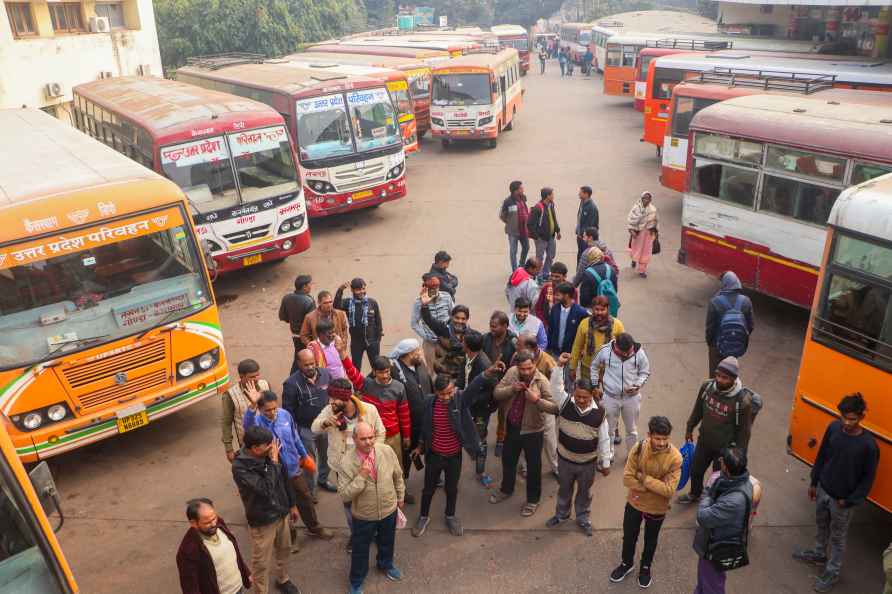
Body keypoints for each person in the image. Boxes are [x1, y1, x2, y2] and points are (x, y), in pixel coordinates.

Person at [793, 393, 879, 593]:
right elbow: (822, 455)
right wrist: (814, 482)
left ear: (861, 418)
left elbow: (868, 479)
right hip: (823, 489)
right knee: (821, 525)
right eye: (845, 417)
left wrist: (849, 501)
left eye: (853, 419)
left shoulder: (868, 446)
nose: (848, 423)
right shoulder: (833, 428)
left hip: (842, 502)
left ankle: (832, 572)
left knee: (838, 539)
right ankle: (818, 553)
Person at [411, 361, 505, 538]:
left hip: (454, 456)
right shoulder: (429, 403)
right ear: (435, 393)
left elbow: (474, 386)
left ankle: (450, 516)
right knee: (428, 489)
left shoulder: (460, 400)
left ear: (453, 389)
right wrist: (420, 446)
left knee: (452, 488)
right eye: (442, 394)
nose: (446, 397)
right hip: (434, 455)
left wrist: (488, 372)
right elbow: (425, 427)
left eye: (449, 392)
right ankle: (423, 516)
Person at [242, 389, 333, 541]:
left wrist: (304, 456)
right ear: (260, 409)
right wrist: (251, 407)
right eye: (267, 411)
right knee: (283, 505)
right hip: (273, 471)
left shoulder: (285, 415)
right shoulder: (256, 421)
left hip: (293, 467)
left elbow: (295, 437)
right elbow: (248, 427)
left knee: (305, 498)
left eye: (274, 408)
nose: (271, 413)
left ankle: (314, 527)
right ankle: (291, 538)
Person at [311, 379, 386, 552]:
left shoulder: (369, 410)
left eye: (334, 399)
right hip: (342, 468)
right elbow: (314, 428)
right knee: (348, 504)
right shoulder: (330, 411)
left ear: (345, 398)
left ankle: (373, 531)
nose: (330, 403)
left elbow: (381, 433)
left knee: (369, 501)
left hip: (367, 465)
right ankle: (356, 534)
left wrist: (373, 454)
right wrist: (325, 423)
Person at [543, 353, 610, 536]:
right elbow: (555, 387)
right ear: (573, 393)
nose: (581, 400)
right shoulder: (565, 403)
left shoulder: (599, 414)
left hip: (587, 464)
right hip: (565, 460)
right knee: (564, 489)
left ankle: (582, 518)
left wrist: (605, 462)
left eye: (585, 397)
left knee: (584, 493)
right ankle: (561, 515)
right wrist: (559, 366)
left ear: (591, 396)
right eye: (578, 396)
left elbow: (604, 440)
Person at [610, 416, 682, 588]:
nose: (662, 443)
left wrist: (643, 478)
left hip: (657, 508)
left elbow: (669, 490)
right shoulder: (638, 448)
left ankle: (645, 567)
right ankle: (627, 564)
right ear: (649, 435)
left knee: (651, 540)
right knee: (629, 536)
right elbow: (627, 479)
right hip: (635, 503)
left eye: (665, 439)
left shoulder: (675, 458)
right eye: (658, 438)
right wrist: (655, 487)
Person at [231, 426, 301, 594]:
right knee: (261, 562)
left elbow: (284, 480)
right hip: (262, 521)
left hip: (281, 512)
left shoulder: (270, 454)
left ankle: (283, 579)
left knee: (284, 550)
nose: (272, 446)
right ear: (255, 448)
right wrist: (274, 463)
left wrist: (292, 505)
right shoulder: (241, 467)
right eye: (267, 444)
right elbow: (265, 489)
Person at [340, 344, 413, 503]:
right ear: (374, 372)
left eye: (387, 371)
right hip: (370, 437)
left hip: (393, 436)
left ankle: (400, 492)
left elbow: (404, 413)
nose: (385, 375)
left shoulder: (399, 388)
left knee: (396, 466)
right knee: (371, 466)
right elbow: (352, 372)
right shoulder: (366, 385)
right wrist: (343, 354)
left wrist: (406, 436)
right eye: (381, 372)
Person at [338, 422, 405, 594]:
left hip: (388, 509)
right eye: (363, 439)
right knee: (360, 550)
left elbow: (398, 474)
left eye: (371, 437)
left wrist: (400, 495)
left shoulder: (386, 451)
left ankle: (385, 564)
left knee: (387, 541)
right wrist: (362, 476)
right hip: (364, 515)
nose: (368, 442)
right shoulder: (346, 462)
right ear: (354, 439)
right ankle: (356, 581)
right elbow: (345, 495)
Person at [678, 357, 756, 505]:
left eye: (725, 378)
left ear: (734, 379)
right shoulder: (707, 387)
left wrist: (736, 455)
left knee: (718, 479)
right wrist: (689, 428)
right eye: (718, 375)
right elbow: (697, 410)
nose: (719, 380)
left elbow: (744, 433)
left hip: (724, 449)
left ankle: (713, 504)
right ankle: (695, 493)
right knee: (695, 470)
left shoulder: (742, 401)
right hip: (704, 441)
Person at [489, 350, 555, 517]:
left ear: (534, 365)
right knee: (508, 460)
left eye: (529, 368)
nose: (525, 372)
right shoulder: (512, 373)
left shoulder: (542, 381)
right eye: (522, 369)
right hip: (512, 427)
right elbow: (496, 393)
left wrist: (537, 401)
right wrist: (512, 388)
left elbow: (556, 407)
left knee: (534, 467)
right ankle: (506, 489)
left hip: (533, 431)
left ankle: (533, 500)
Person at [692, 448, 753, 594]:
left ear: (726, 467)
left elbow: (703, 516)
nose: (719, 462)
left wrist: (707, 493)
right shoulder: (736, 480)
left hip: (717, 548)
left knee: (712, 585)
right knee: (704, 579)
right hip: (711, 545)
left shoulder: (734, 501)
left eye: (722, 461)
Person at [590, 332, 651, 463]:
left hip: (632, 399)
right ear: (615, 345)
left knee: (632, 429)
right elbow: (594, 366)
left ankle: (632, 455)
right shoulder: (605, 351)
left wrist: (637, 385)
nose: (626, 355)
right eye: (623, 352)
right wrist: (595, 385)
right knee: (608, 429)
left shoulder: (639, 352)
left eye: (629, 352)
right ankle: (608, 454)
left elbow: (645, 372)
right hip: (610, 397)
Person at [283, 350, 334, 495]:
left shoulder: (325, 374)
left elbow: (332, 395)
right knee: (309, 462)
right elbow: (288, 412)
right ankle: (310, 491)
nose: (310, 367)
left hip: (325, 426)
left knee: (327, 456)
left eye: (312, 363)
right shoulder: (291, 384)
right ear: (298, 364)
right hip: (305, 430)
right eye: (306, 365)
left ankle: (323, 480)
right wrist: (295, 432)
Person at [176, 498, 252, 594]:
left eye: (214, 518)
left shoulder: (219, 523)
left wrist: (246, 572)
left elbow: (234, 552)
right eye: (207, 522)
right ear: (194, 523)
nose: (213, 524)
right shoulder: (188, 550)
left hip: (238, 588)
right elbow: (190, 587)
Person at [389, 339, 433, 484]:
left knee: (429, 450)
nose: (420, 353)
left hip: (426, 420)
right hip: (407, 426)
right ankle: (403, 483)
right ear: (408, 354)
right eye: (417, 351)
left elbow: (430, 385)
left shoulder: (420, 364)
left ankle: (434, 476)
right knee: (406, 455)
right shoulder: (393, 369)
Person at [705, 271, 755, 376]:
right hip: (735, 345)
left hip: (717, 346)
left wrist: (711, 344)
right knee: (729, 374)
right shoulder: (746, 301)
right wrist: (737, 336)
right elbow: (750, 326)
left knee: (715, 375)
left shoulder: (715, 302)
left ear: (725, 284)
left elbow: (710, 328)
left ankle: (714, 391)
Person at [221, 359, 270, 462]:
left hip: (269, 439)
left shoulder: (265, 385)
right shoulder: (230, 395)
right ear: (241, 377)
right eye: (252, 377)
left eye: (257, 375)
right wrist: (229, 449)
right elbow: (226, 423)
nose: (256, 379)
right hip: (249, 445)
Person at [570, 296, 625, 382]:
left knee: (607, 395)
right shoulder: (584, 323)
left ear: (607, 309)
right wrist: (572, 367)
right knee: (588, 395)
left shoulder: (617, 325)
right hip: (588, 368)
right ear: (592, 309)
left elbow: (624, 348)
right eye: (597, 309)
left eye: (602, 310)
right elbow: (577, 347)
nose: (599, 312)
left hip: (610, 369)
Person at [419, 292, 471, 381]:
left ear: (467, 319)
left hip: (461, 376)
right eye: (457, 318)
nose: (459, 321)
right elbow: (429, 320)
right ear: (451, 316)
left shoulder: (470, 335)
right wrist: (424, 305)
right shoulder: (443, 329)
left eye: (463, 319)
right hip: (443, 374)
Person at [335, 278, 384, 371]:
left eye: (363, 289)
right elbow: (336, 306)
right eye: (358, 289)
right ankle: (358, 386)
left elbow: (378, 321)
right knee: (356, 368)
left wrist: (377, 339)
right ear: (352, 290)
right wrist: (340, 290)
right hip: (356, 343)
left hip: (372, 342)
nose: (362, 292)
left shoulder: (372, 303)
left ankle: (373, 384)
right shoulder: (347, 303)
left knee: (376, 367)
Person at [410, 273, 455, 374]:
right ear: (425, 287)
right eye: (431, 287)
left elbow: (454, 315)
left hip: (447, 340)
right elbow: (414, 323)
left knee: (449, 368)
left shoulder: (446, 297)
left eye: (437, 286)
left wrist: (451, 332)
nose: (435, 290)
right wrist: (426, 336)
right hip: (430, 343)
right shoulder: (419, 303)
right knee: (432, 372)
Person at [279, 274, 315, 375]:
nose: (310, 287)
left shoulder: (287, 298)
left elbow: (283, 317)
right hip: (307, 337)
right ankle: (294, 380)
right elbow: (312, 322)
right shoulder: (309, 301)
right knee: (304, 360)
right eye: (309, 285)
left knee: (299, 357)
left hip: (295, 336)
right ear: (304, 287)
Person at [546, 282, 587, 358]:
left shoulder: (581, 312)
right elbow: (550, 329)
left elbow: (584, 334)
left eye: (558, 295)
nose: (555, 297)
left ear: (567, 295)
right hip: (555, 353)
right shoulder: (555, 309)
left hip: (571, 354)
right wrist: (548, 348)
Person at [527, 187, 561, 279]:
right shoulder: (538, 208)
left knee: (551, 255)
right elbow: (529, 224)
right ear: (547, 196)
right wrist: (537, 237)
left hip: (551, 237)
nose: (553, 196)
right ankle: (539, 276)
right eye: (552, 194)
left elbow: (553, 218)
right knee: (539, 258)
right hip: (541, 238)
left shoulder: (551, 205)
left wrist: (557, 230)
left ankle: (545, 274)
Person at [499, 180, 531, 272]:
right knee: (513, 251)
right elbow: (502, 215)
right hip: (513, 232)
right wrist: (510, 223)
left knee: (526, 247)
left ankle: (521, 265)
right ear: (515, 190)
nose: (523, 189)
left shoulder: (523, 198)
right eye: (521, 188)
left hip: (524, 229)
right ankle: (515, 271)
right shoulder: (508, 201)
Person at [627, 191, 659, 278]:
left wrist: (654, 232)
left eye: (648, 198)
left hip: (648, 235)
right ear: (641, 198)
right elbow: (630, 220)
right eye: (644, 198)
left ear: (650, 200)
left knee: (646, 251)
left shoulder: (653, 210)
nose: (646, 200)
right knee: (635, 249)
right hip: (637, 234)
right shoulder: (636, 208)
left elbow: (656, 221)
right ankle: (634, 260)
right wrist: (631, 230)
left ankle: (642, 270)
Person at [578, 247, 619, 311]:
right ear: (602, 257)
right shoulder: (611, 269)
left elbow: (584, 298)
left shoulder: (588, 273)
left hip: (595, 309)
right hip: (608, 307)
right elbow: (615, 289)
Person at [534, 261, 571, 326]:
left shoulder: (571, 290)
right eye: (552, 276)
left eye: (557, 277)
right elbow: (538, 309)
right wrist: (544, 323)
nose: (553, 279)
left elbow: (574, 311)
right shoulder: (546, 288)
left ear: (565, 276)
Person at [575, 186, 599, 265]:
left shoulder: (591, 207)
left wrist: (585, 237)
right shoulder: (582, 203)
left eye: (580, 193)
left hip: (586, 238)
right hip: (580, 236)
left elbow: (592, 226)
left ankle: (583, 274)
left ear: (586, 194)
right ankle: (579, 273)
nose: (579, 194)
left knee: (585, 257)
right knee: (580, 255)